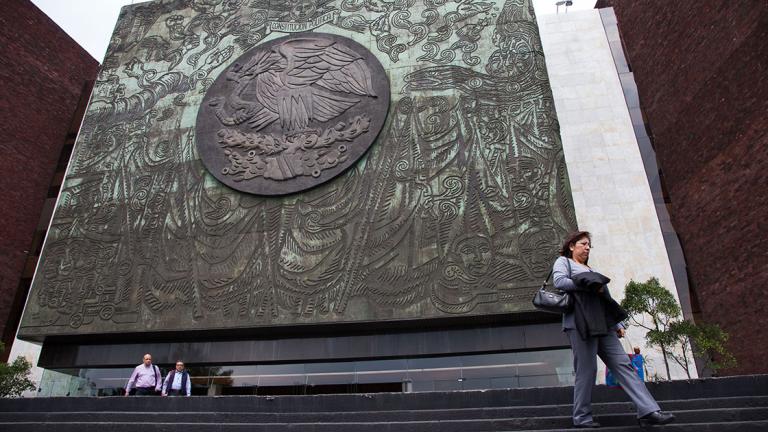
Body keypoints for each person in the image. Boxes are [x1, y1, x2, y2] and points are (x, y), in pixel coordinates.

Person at [553, 231, 675, 428]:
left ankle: (648, 411)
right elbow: (559, 282)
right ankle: (582, 417)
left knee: (624, 365)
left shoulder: (590, 268)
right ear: (571, 246)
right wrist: (589, 286)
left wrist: (617, 324)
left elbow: (605, 300)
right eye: (583, 244)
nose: (587, 248)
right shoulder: (563, 263)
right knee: (587, 370)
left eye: (589, 245)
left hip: (602, 323)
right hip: (579, 323)